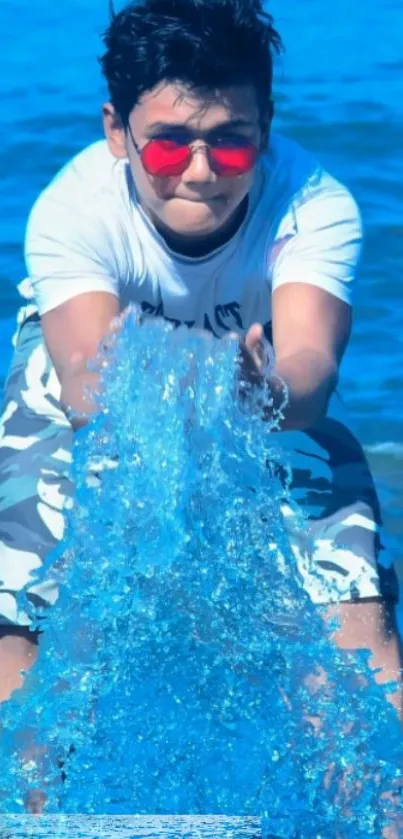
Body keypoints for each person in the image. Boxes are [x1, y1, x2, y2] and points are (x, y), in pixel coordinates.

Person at [0, 0, 401, 769]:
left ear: (266, 123)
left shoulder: (315, 205)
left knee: (355, 602)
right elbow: (85, 392)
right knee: (17, 601)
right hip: (86, 376)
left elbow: (311, 368)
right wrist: (138, 382)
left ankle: (379, 806)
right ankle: (30, 800)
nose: (198, 171)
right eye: (167, 145)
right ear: (116, 129)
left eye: (230, 143)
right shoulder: (71, 212)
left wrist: (263, 394)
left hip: (262, 380)